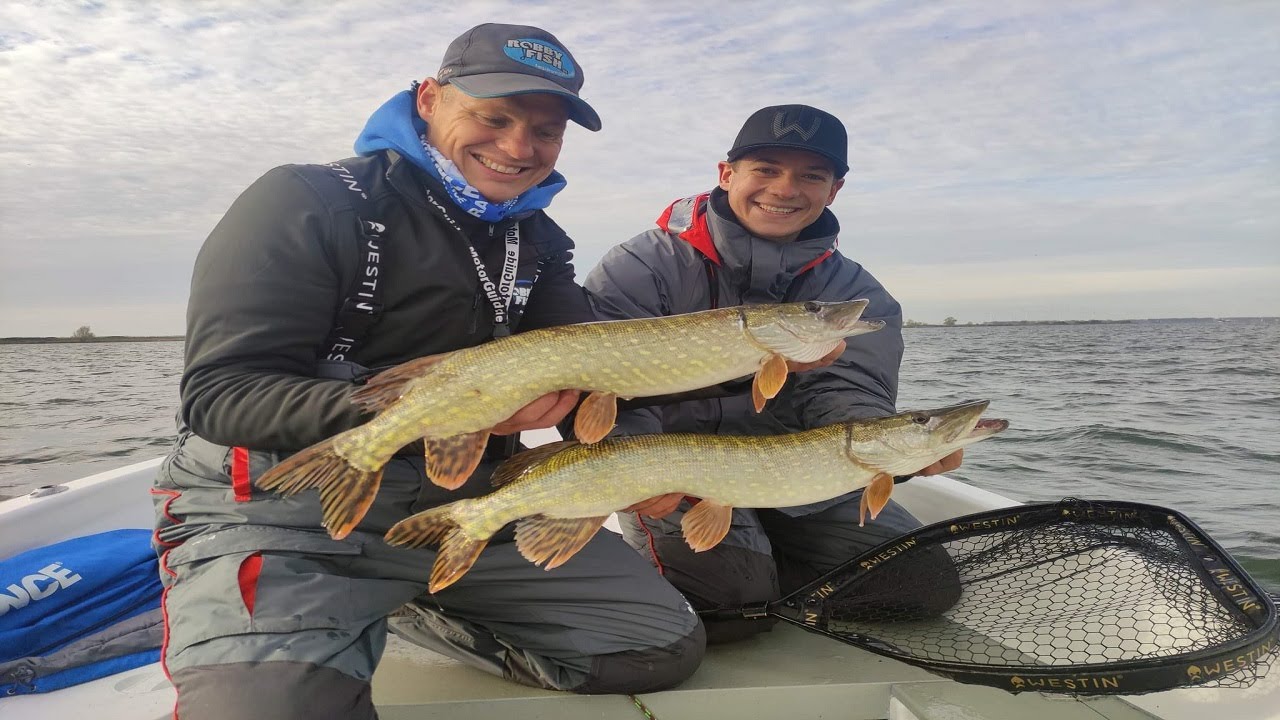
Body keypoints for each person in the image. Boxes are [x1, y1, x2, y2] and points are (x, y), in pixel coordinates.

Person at [154, 24, 703, 720]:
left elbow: (592, 369)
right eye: (492, 117)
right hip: (282, 512)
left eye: (545, 130)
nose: (517, 147)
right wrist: (439, 412)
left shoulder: (537, 240)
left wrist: (645, 459)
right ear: (429, 99)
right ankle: (335, 621)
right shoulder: (307, 200)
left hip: (465, 508)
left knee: (657, 648)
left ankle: (411, 605)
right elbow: (221, 393)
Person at [581, 104, 964, 642]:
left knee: (920, 586)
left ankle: (761, 566)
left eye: (811, 175)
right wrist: (638, 472)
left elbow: (848, 389)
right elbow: (599, 385)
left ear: (834, 191)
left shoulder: (854, 294)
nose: (785, 189)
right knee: (727, 606)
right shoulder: (642, 265)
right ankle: (734, 575)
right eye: (766, 168)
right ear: (726, 174)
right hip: (680, 468)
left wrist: (891, 449)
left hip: (801, 474)